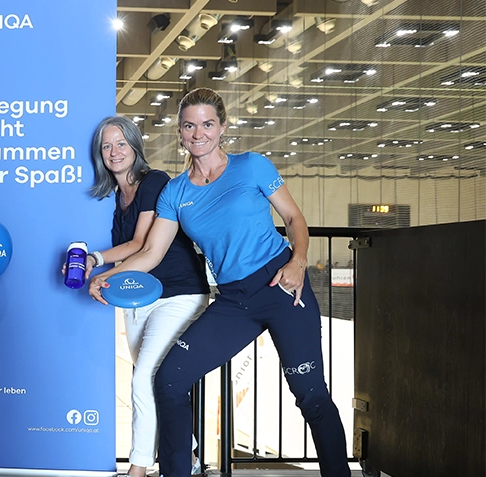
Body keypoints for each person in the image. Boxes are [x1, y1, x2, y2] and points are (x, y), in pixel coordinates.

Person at [89, 88, 350, 477]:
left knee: (311, 397)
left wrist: (298, 262)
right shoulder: (175, 192)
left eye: (207, 124)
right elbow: (150, 253)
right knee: (169, 380)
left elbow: (295, 219)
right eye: (190, 125)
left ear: (222, 127)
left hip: (280, 285)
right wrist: (106, 276)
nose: (199, 133)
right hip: (233, 300)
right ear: (180, 132)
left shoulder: (253, 166)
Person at [77, 116, 209, 477]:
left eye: (121, 143)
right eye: (107, 146)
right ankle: (191, 453)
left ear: (135, 146)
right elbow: (125, 248)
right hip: (139, 298)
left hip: (178, 294)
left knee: (142, 378)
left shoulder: (155, 182)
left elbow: (141, 245)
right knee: (153, 380)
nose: (114, 151)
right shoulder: (117, 197)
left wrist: (100, 272)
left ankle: (138, 468)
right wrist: (95, 259)